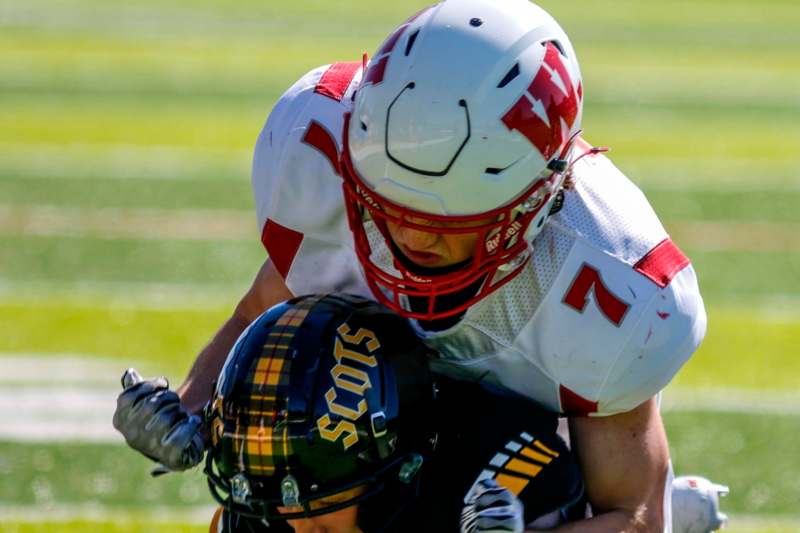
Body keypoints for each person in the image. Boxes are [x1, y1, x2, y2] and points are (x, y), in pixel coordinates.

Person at [113, 0, 728, 531]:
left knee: (504, 491)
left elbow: (636, 517)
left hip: (511, 437)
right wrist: (190, 409)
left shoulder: (609, 280)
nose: (407, 233)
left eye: (445, 223)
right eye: (384, 206)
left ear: (536, 201)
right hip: (378, 392)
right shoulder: (316, 140)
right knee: (287, 401)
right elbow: (266, 309)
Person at [203, 293, 585, 531]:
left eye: (322, 502)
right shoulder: (263, 511)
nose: (302, 527)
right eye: (284, 499)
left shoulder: (480, 464)